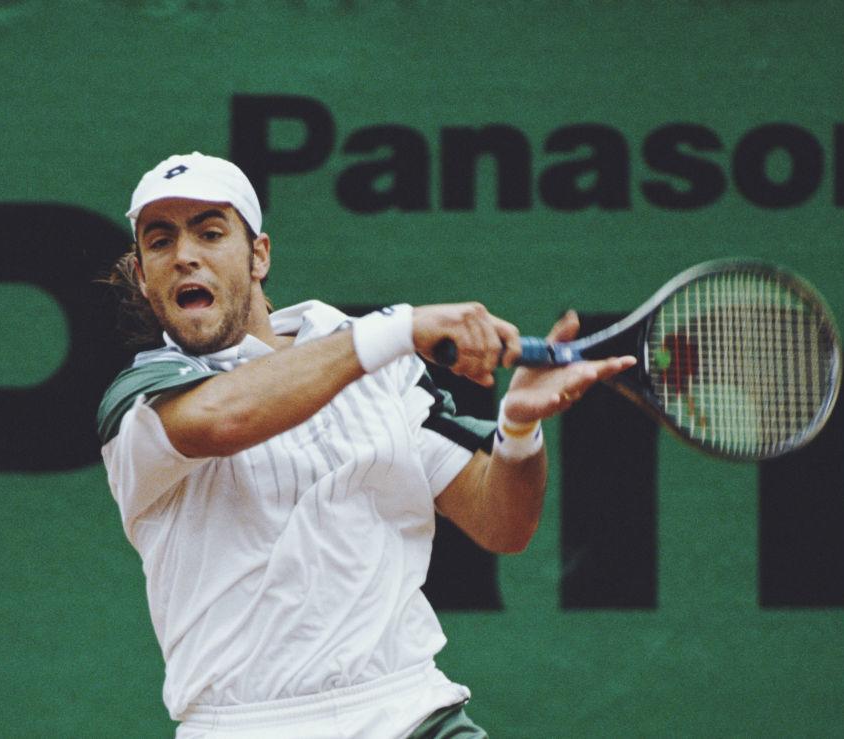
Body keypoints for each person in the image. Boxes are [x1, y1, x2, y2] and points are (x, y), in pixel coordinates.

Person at [97, 152, 635, 738]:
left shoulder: (378, 364)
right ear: (144, 277)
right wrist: (398, 329)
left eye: (209, 232)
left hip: (411, 713)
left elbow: (502, 525)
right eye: (161, 241)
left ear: (259, 256)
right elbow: (224, 419)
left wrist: (519, 430)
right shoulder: (141, 400)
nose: (185, 255)